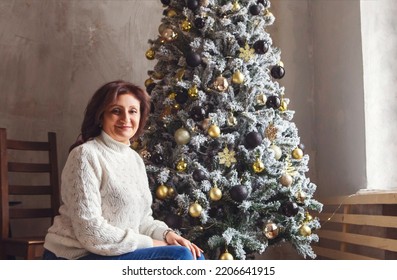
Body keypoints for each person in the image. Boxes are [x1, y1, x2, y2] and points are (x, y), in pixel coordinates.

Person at [42, 80, 204, 260]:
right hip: (77, 255)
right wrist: (153, 243)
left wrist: (166, 235)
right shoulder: (85, 155)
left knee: (195, 256)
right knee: (179, 257)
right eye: (116, 111)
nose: (126, 119)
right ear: (100, 117)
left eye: (133, 111)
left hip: (117, 252)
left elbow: (142, 221)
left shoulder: (134, 159)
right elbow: (90, 232)